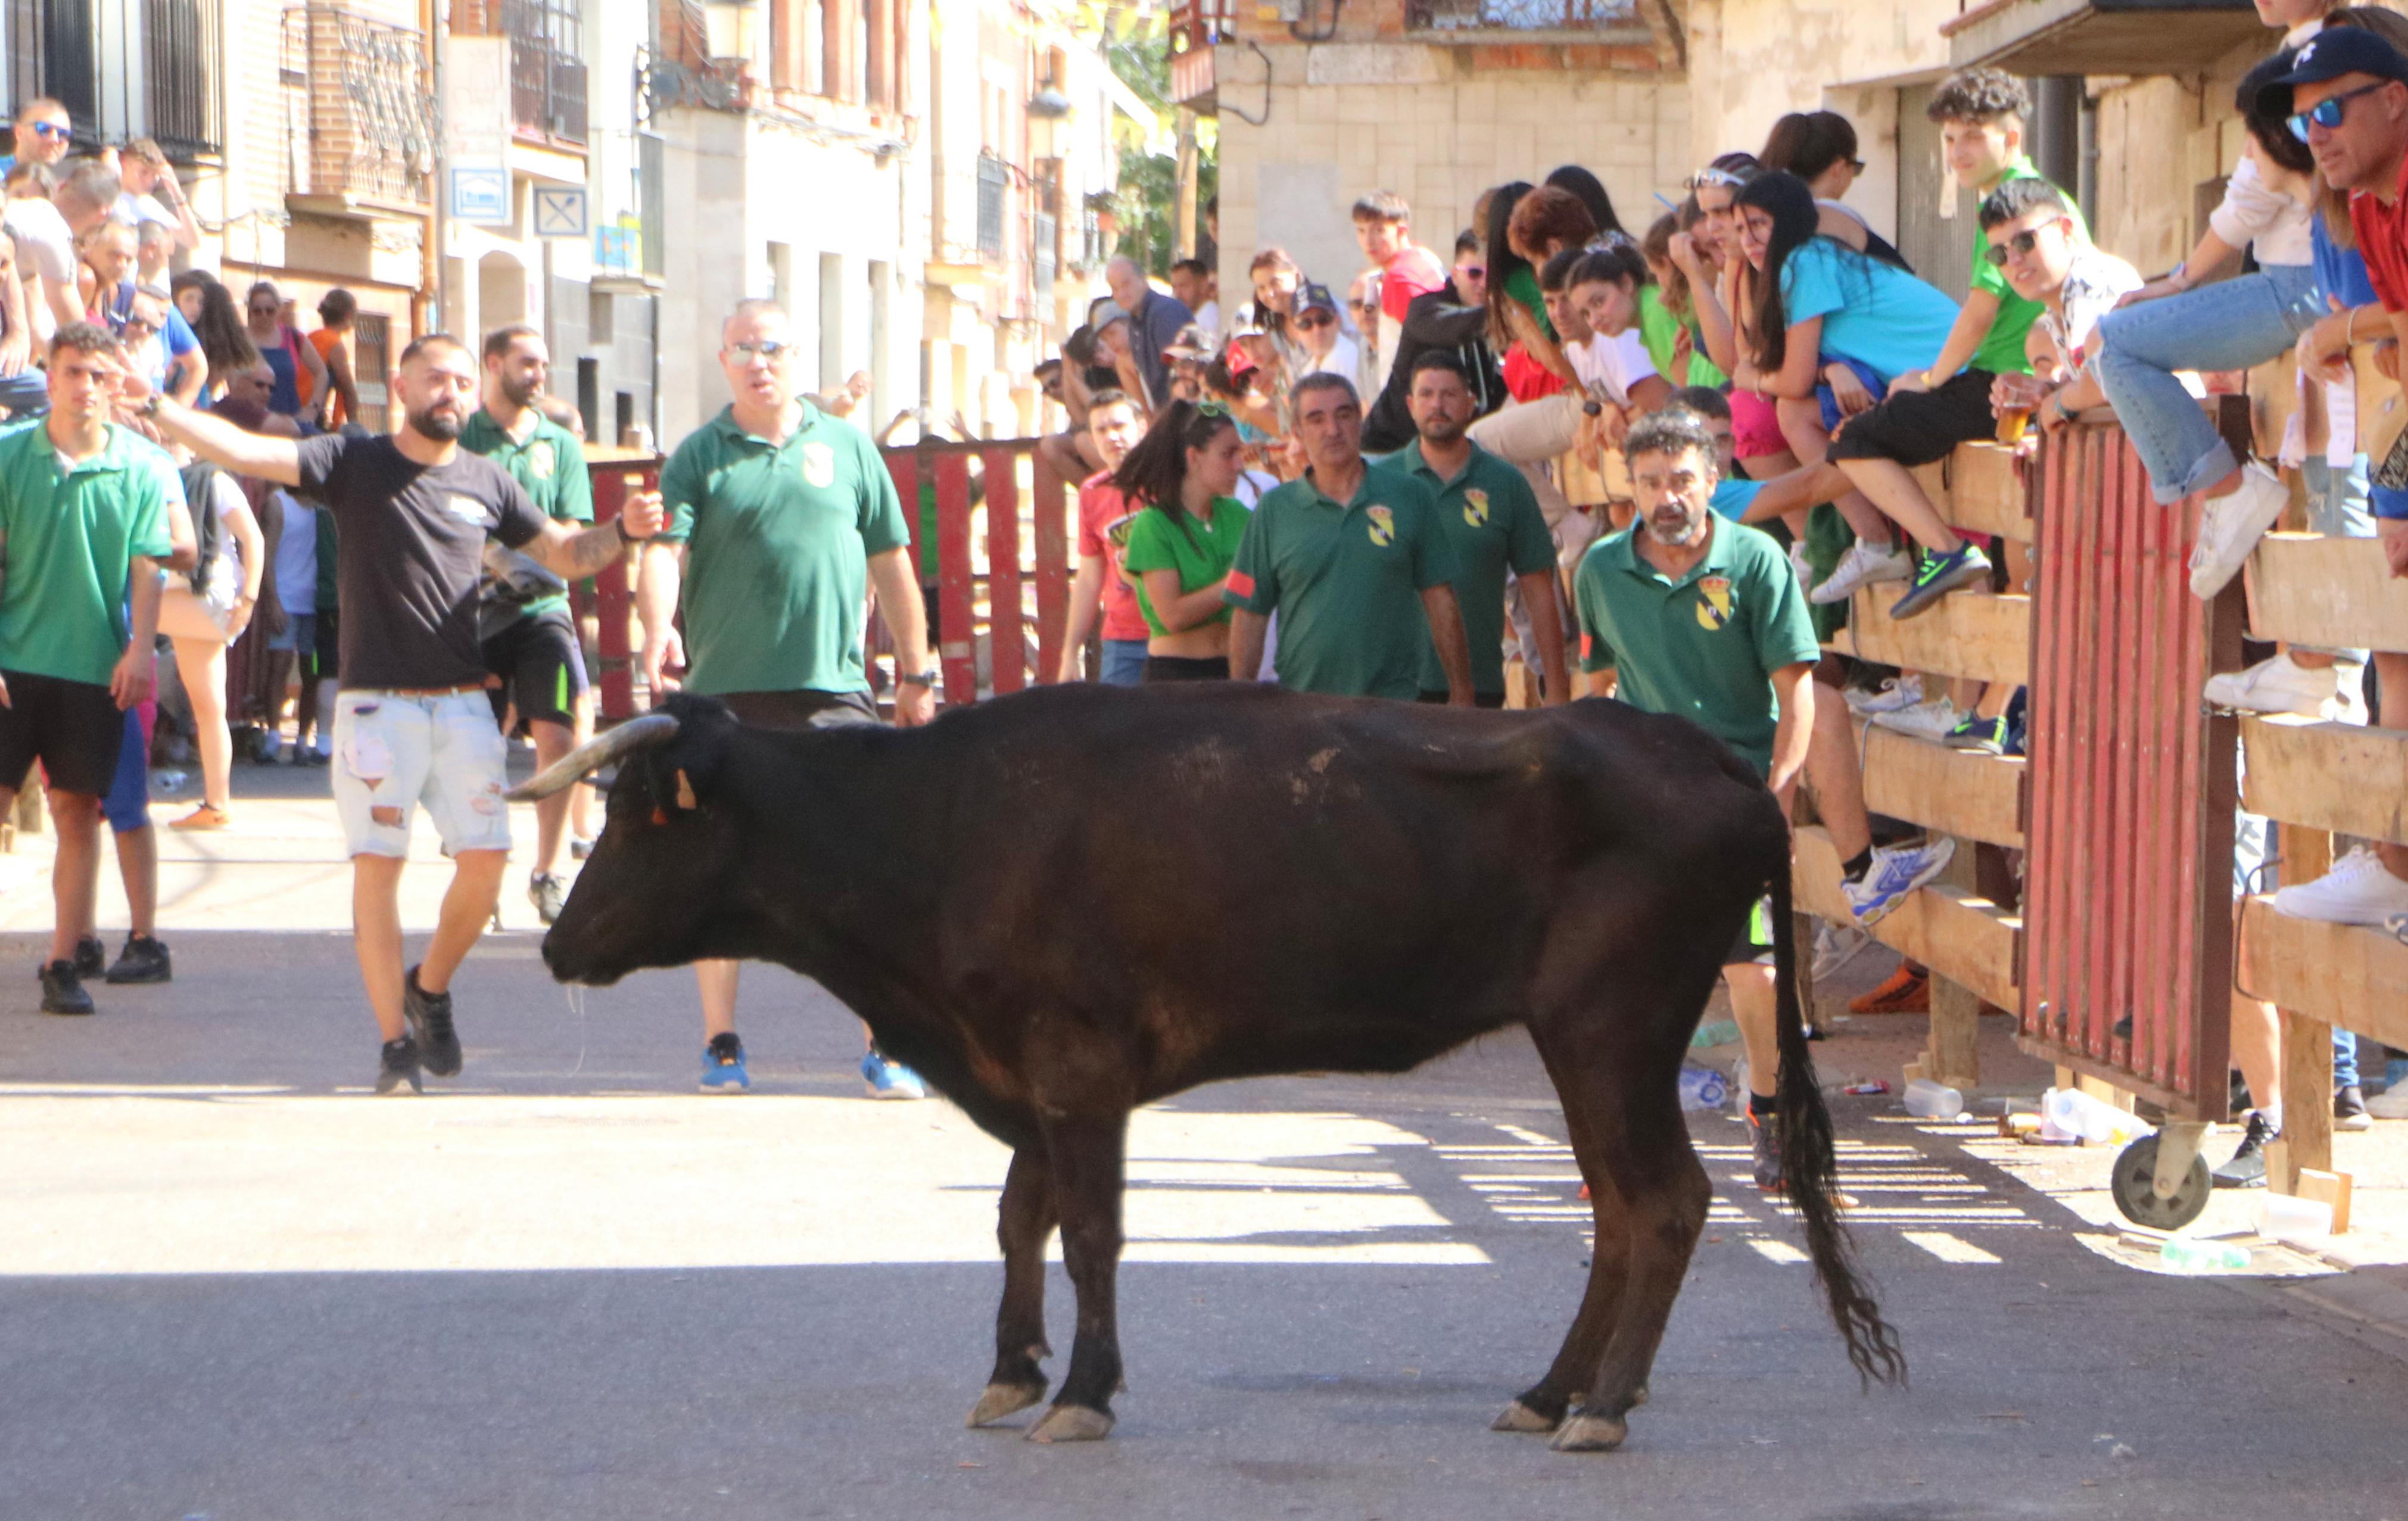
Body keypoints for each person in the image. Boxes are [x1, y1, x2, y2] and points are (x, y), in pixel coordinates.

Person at [139, 330, 664, 1094]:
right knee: (377, 871)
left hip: (462, 708)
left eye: (458, 380)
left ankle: (431, 985)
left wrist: (623, 533)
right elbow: (248, 453)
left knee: (485, 867)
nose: (449, 392)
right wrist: (158, 405)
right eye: (434, 380)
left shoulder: (488, 479)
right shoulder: (352, 462)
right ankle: (394, 1045)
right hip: (376, 711)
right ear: (402, 385)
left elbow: (561, 552)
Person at [1569, 409, 1942, 1189]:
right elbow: (1593, 683)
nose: (1664, 496)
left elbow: (1797, 693)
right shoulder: (1600, 569)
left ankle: (1768, 1109)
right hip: (1641, 793)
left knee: (1755, 975)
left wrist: (1776, 794)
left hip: (1733, 787)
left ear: (1712, 480)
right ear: (1628, 487)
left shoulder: (1757, 560)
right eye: (1647, 482)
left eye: (1679, 479)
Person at [636, 298, 936, 1098]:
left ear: (796, 355)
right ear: (724, 360)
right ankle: (722, 1044)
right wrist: (658, 627)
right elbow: (665, 549)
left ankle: (888, 1045)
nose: (756, 361)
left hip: (832, 688)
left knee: (863, 869)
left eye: (770, 346)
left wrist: (916, 672)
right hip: (725, 692)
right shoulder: (700, 455)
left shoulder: (846, 447)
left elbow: (893, 567)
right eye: (741, 348)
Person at [2253, 27, 2408, 927]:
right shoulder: (2369, 207)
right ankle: (2389, 861)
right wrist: (2394, 500)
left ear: (2393, 96)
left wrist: (2346, 328)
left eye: (2327, 109)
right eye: (2299, 121)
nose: (2312, 134)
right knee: (2392, 635)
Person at [0, 324, 173, 1015]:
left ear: (117, 382)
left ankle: (62, 960)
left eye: (100, 375)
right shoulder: (10, 456)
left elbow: (149, 563)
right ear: (49, 377)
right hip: (14, 663)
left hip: (92, 668)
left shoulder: (138, 465)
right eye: (73, 372)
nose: (85, 387)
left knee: (78, 812)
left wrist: (139, 652)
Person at [1730, 172, 1995, 622]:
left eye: (1758, 224)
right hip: (1932, 387)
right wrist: (1734, 277)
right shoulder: (1802, 263)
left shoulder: (1805, 261)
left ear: (1790, 221)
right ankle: (1876, 542)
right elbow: (1768, 361)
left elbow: (1784, 377)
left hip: (1966, 382)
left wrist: (1752, 379)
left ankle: (1920, 548)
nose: (1747, 240)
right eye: (1739, 229)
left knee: (1847, 435)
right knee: (1798, 414)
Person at [1225, 373, 1474, 703]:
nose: (1333, 430)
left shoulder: (1409, 495)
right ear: (1296, 432)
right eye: (1316, 419)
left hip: (1396, 707)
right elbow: (1248, 614)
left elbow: (1440, 598)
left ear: (1360, 419)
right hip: (1305, 709)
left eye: (1344, 415)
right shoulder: (1274, 510)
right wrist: (1239, 705)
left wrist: (1462, 692)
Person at [459, 324, 594, 925]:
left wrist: (525, 559)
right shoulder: (463, 435)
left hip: (543, 606)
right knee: (474, 748)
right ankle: (481, 868)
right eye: (526, 363)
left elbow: (571, 527)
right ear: (493, 364)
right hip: (471, 611)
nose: (538, 374)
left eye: (544, 364)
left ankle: (548, 871)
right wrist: (486, 559)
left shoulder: (560, 444)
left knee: (560, 737)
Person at [1383, 351, 1566, 707]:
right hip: (1393, 690)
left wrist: (1557, 688)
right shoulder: (1379, 483)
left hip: (1478, 686)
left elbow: (1538, 588)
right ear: (1410, 404)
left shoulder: (1505, 483)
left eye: (1450, 394)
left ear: (1471, 404)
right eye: (1426, 394)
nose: (1437, 405)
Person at [157, 445, 264, 833]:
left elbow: (253, 539)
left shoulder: (213, 480)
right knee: (208, 707)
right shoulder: (186, 477)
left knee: (113, 627)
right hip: (203, 597)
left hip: (201, 595)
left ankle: (216, 804)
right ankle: (216, 804)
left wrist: (249, 597)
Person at [1114, 398, 1251, 681]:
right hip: (1175, 675)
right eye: (1228, 454)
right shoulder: (1154, 524)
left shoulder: (1238, 515)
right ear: (1194, 457)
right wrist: (1240, 583)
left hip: (1231, 670)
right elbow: (1173, 616)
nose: (1239, 465)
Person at [1055, 388, 1152, 684]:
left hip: (1175, 634)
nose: (1112, 437)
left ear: (1141, 427)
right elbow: (1089, 578)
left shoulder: (1170, 483)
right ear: (1092, 438)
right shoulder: (1092, 493)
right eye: (1102, 430)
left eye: (1119, 426)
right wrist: (1070, 652)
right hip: (1122, 639)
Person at [1353, 189, 1450, 389]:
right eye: (1361, 231)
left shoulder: (1400, 278)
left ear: (1401, 231)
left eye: (1379, 230)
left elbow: (1427, 345)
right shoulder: (1424, 257)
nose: (1368, 241)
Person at [1104, 255, 1192, 410]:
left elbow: (1185, 373)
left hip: (1187, 413)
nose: (1121, 294)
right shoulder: (1136, 321)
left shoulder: (1164, 312)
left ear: (1143, 280)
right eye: (1115, 289)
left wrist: (1170, 426)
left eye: (1126, 284)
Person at [244, 279, 328, 425]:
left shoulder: (293, 337)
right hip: (248, 421)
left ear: (279, 309)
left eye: (270, 311)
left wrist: (313, 408)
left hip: (290, 421)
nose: (264, 315)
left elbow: (321, 372)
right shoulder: (239, 338)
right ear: (250, 310)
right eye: (257, 311)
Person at [171, 271, 258, 397]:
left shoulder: (185, 345)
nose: (195, 307)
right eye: (189, 299)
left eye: (200, 302)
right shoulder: (237, 345)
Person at [114, 137, 201, 253]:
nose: (150, 181)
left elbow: (192, 241)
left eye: (155, 174)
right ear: (124, 165)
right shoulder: (111, 201)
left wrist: (177, 195)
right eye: (143, 172)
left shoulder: (152, 207)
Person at [309, 289, 363, 430]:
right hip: (311, 418)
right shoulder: (333, 344)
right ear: (348, 315)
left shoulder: (310, 338)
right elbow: (348, 390)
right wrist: (354, 427)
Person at [1290, 282, 1360, 382]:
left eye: (1323, 319)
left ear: (1338, 321)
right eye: (1306, 324)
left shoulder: (1347, 359)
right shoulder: (1309, 371)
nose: (1317, 330)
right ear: (1296, 333)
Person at [0, 98, 73, 178]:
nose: (54, 139)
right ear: (19, 133)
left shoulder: (61, 188)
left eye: (63, 133)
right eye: (44, 129)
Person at [1169, 257, 1219, 337]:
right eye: (1174, 287)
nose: (1178, 294)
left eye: (1184, 286)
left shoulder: (1211, 319)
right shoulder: (1190, 318)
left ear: (1203, 284)